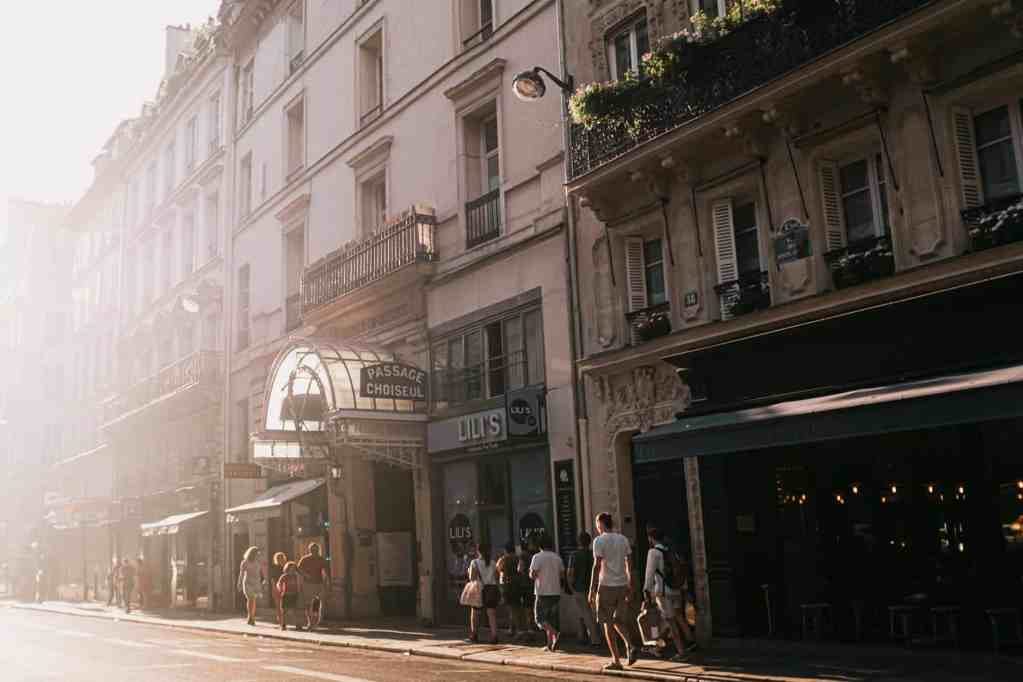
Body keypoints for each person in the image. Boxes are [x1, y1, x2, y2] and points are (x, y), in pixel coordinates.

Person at [589, 512, 636, 671]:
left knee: (608, 624)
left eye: (597, 523)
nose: (596, 527)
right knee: (618, 620)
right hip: (622, 585)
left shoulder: (599, 541)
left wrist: (592, 589)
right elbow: (629, 563)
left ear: (601, 524)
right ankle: (630, 645)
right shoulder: (623, 539)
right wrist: (631, 584)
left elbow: (596, 566)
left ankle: (616, 660)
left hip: (606, 586)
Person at [644, 526, 694, 661]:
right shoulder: (671, 551)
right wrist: (683, 588)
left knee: (670, 621)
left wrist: (646, 591)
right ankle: (690, 639)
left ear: (651, 538)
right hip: (676, 589)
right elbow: (680, 570)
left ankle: (681, 651)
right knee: (676, 616)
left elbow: (649, 574)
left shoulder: (653, 552)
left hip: (663, 592)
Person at [529, 535, 565, 652]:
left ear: (540, 546)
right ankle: (550, 645)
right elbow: (562, 575)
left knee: (539, 619)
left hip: (542, 592)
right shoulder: (557, 557)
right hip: (555, 591)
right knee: (550, 619)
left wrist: (533, 574)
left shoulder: (537, 557)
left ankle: (555, 634)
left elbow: (532, 574)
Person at [568, 531, 601, 647]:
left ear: (578, 542)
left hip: (579, 587)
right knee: (587, 613)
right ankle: (582, 636)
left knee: (585, 614)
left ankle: (595, 639)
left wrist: (571, 586)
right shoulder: (593, 554)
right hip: (593, 586)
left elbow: (570, 573)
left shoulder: (574, 555)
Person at [467, 543, 499, 644]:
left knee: (475, 613)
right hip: (491, 589)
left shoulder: (474, 562)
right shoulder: (493, 562)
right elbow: (497, 577)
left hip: (479, 589)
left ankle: (474, 634)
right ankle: (494, 636)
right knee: (491, 614)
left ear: (478, 551)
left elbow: (472, 578)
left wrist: (469, 572)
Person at [298, 543, 329, 631]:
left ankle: (318, 620)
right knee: (308, 604)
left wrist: (327, 582)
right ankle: (310, 622)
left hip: (319, 583)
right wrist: (305, 575)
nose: (314, 551)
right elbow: (298, 569)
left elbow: (326, 571)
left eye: (316, 549)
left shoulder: (321, 559)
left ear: (318, 550)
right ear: (310, 550)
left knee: (320, 602)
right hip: (308, 584)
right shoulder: (305, 559)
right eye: (312, 549)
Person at [496, 542, 521, 637]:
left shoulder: (504, 559)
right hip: (517, 584)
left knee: (511, 609)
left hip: (507, 585)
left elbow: (498, 569)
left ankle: (514, 629)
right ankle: (515, 628)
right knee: (516, 608)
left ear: (505, 550)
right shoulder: (518, 558)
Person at [238, 546, 265, 626]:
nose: (258, 555)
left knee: (253, 601)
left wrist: (264, 580)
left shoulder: (259, 561)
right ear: (252, 554)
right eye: (257, 554)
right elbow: (241, 574)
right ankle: (251, 617)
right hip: (248, 583)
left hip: (256, 583)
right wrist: (239, 583)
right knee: (251, 599)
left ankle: (251, 616)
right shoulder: (245, 562)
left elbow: (262, 572)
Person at [276, 561, 303, 631]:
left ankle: (298, 624)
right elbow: (279, 583)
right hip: (286, 594)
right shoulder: (284, 576)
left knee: (295, 610)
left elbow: (300, 583)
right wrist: (281, 590)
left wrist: (299, 591)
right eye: (291, 568)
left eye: (294, 568)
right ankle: (283, 624)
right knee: (284, 611)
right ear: (287, 569)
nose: (292, 570)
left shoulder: (296, 576)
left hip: (294, 594)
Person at [272, 552, 289, 629]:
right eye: (278, 558)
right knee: (278, 605)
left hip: (286, 588)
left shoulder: (287, 567)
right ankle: (280, 622)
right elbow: (272, 579)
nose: (280, 559)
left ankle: (283, 620)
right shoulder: (275, 568)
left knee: (284, 605)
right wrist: (275, 588)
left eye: (281, 558)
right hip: (277, 588)